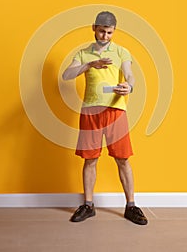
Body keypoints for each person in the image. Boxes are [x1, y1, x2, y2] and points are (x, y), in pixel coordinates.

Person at [62, 11, 148, 225]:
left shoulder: (121, 52)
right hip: (90, 111)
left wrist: (130, 86)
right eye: (102, 31)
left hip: (115, 111)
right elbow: (66, 75)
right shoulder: (83, 54)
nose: (105, 36)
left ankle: (131, 205)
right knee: (90, 159)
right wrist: (89, 65)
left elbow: (129, 74)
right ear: (94, 28)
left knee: (123, 159)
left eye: (109, 32)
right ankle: (88, 205)